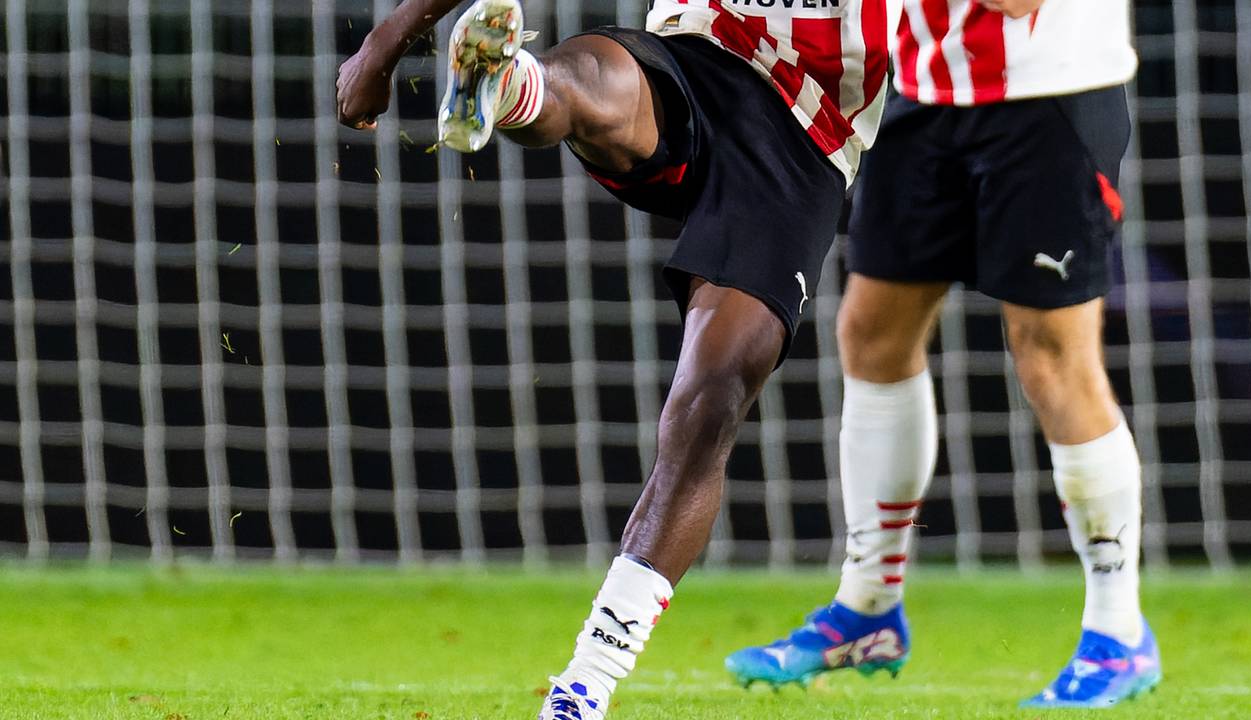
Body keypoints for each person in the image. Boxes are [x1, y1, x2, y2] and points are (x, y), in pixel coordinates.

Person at [337, 0, 900, 716]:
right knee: (594, 82)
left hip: (802, 140)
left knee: (711, 395)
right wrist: (385, 41)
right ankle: (508, 82)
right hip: (692, 60)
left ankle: (584, 684)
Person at [725, 0, 1162, 709]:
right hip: (928, 94)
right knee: (871, 333)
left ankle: (1118, 632)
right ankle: (867, 609)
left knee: (1051, 355)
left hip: (1048, 96)